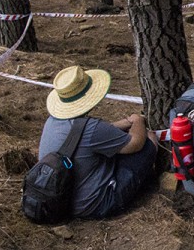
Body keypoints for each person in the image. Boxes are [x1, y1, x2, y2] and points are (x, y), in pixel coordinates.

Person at [38, 65, 157, 219]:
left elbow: (87, 135)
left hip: (62, 202)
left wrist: (126, 122)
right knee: (148, 144)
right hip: (95, 206)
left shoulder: (52, 121)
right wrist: (138, 120)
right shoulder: (92, 128)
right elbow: (135, 143)